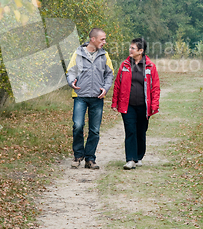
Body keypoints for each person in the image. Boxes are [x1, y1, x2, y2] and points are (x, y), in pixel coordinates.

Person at [66, 28, 114, 169]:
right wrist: (71, 82)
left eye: (105, 39)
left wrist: (105, 88)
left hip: (97, 97)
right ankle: (78, 155)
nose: (104, 42)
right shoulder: (78, 54)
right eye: (102, 39)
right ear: (93, 39)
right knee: (78, 125)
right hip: (80, 96)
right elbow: (70, 72)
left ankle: (90, 159)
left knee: (95, 130)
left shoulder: (104, 55)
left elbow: (109, 74)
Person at [111, 37, 160, 170]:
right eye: (130, 47)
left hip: (144, 106)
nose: (130, 50)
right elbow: (117, 84)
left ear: (141, 51)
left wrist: (154, 105)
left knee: (141, 131)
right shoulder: (125, 65)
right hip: (128, 105)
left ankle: (138, 156)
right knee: (130, 130)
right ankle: (130, 159)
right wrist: (114, 102)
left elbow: (155, 87)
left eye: (133, 48)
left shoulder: (150, 66)